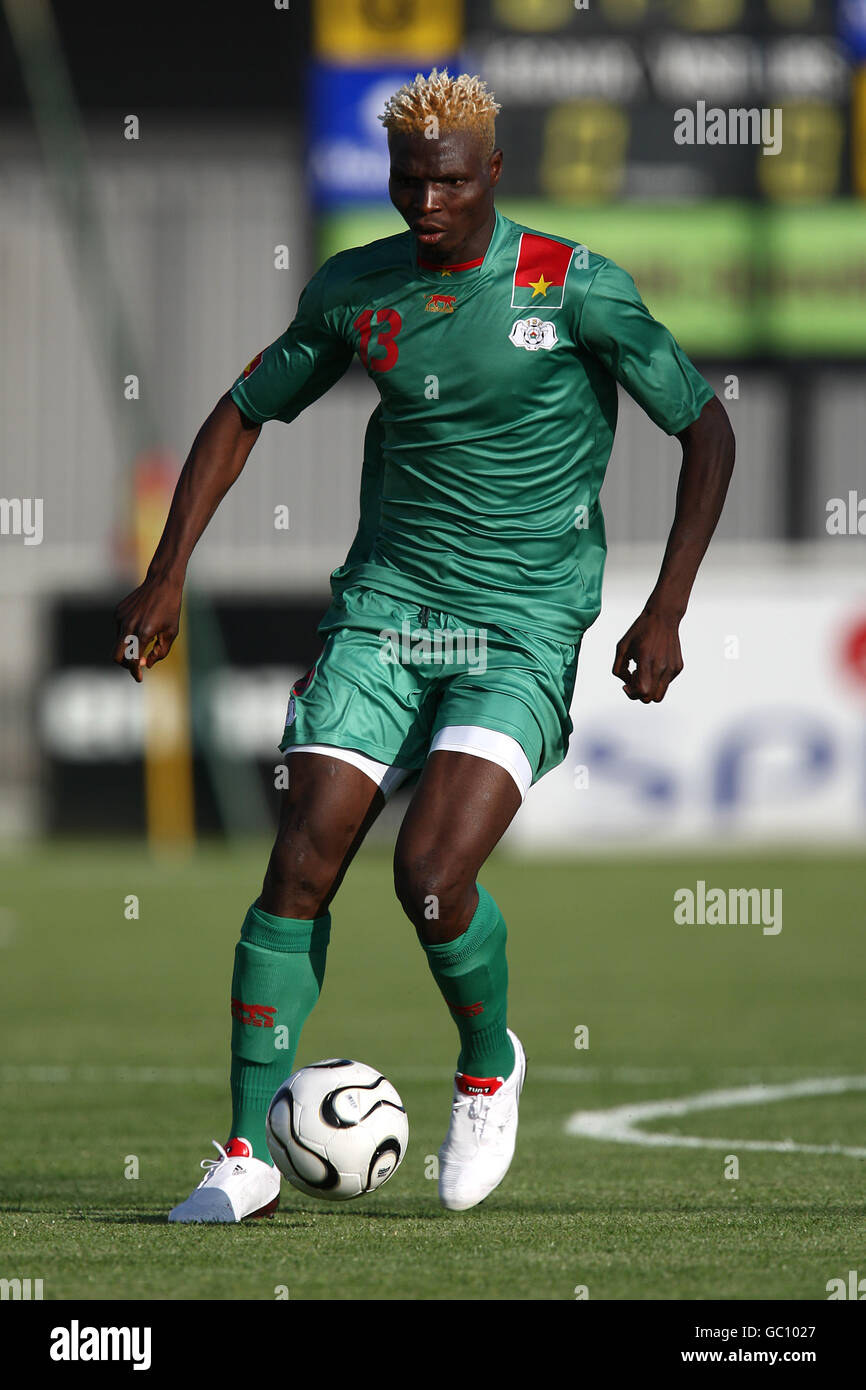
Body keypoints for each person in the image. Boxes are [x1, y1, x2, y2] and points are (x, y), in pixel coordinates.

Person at [113, 69, 735, 1222]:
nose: (427, 202)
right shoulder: (359, 289)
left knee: (430, 874)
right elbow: (242, 409)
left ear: (492, 172)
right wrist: (167, 568)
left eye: (449, 180)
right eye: (409, 180)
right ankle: (248, 1154)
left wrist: (665, 607)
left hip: (523, 622)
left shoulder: (572, 286)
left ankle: (486, 1064)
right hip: (384, 610)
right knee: (300, 858)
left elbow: (704, 427)